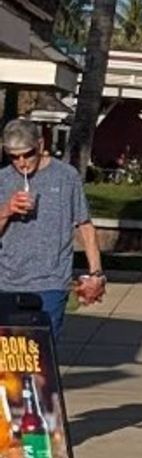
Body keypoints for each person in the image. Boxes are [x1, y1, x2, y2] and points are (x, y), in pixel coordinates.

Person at [0, 120, 103, 342]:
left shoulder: (66, 176)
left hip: (51, 283)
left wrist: (95, 274)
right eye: (13, 157)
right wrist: (7, 210)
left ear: (40, 144)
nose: (21, 162)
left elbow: (84, 226)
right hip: (7, 282)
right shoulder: (3, 180)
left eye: (28, 154)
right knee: (9, 356)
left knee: (41, 352)